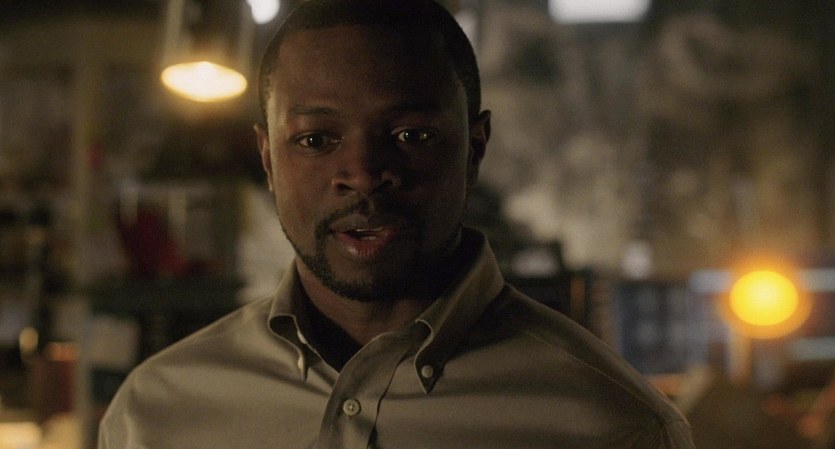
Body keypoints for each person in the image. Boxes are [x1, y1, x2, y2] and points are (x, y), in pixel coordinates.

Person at [98, 1, 696, 447]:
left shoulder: (613, 426)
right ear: (268, 160)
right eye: (315, 140)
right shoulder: (154, 416)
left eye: (411, 135)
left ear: (474, 149)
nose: (362, 174)